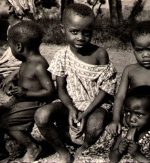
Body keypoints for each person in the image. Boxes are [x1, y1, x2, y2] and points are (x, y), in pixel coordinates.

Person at [34, 3, 117, 163]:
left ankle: (84, 147)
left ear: (92, 31)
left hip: (95, 105)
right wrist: (71, 109)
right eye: (74, 32)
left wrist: (86, 113)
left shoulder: (100, 54)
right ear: (62, 29)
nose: (80, 37)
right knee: (41, 115)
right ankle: (62, 151)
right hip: (69, 103)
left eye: (86, 33)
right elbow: (61, 89)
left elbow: (105, 89)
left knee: (96, 124)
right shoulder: (62, 56)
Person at [0, 21, 55, 163]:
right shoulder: (26, 60)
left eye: (10, 47)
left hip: (34, 102)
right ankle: (0, 149)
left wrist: (26, 93)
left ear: (19, 47)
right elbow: (23, 76)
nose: (10, 51)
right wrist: (12, 82)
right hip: (22, 100)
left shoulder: (39, 65)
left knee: (6, 121)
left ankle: (33, 147)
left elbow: (50, 91)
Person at [107, 20, 150, 148]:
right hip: (133, 116)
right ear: (133, 50)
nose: (145, 55)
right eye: (139, 50)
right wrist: (116, 119)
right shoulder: (130, 70)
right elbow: (120, 97)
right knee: (115, 140)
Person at [0, 0, 36, 134]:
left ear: (10, 8)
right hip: (14, 64)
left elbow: (31, 58)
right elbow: (11, 54)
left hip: (20, 67)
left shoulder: (23, 29)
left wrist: (12, 74)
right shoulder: (11, 27)